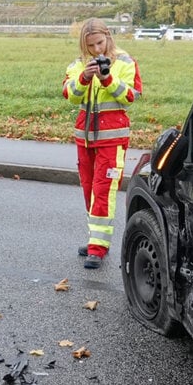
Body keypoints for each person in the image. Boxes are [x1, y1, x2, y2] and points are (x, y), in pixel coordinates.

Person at [62, 18, 142, 269]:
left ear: (108, 37)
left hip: (113, 138)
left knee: (104, 190)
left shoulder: (126, 62)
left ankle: (98, 248)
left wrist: (108, 79)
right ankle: (96, 239)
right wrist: (84, 78)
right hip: (85, 138)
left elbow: (130, 97)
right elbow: (69, 95)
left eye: (100, 43)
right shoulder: (78, 65)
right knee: (89, 188)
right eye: (91, 46)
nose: (97, 50)